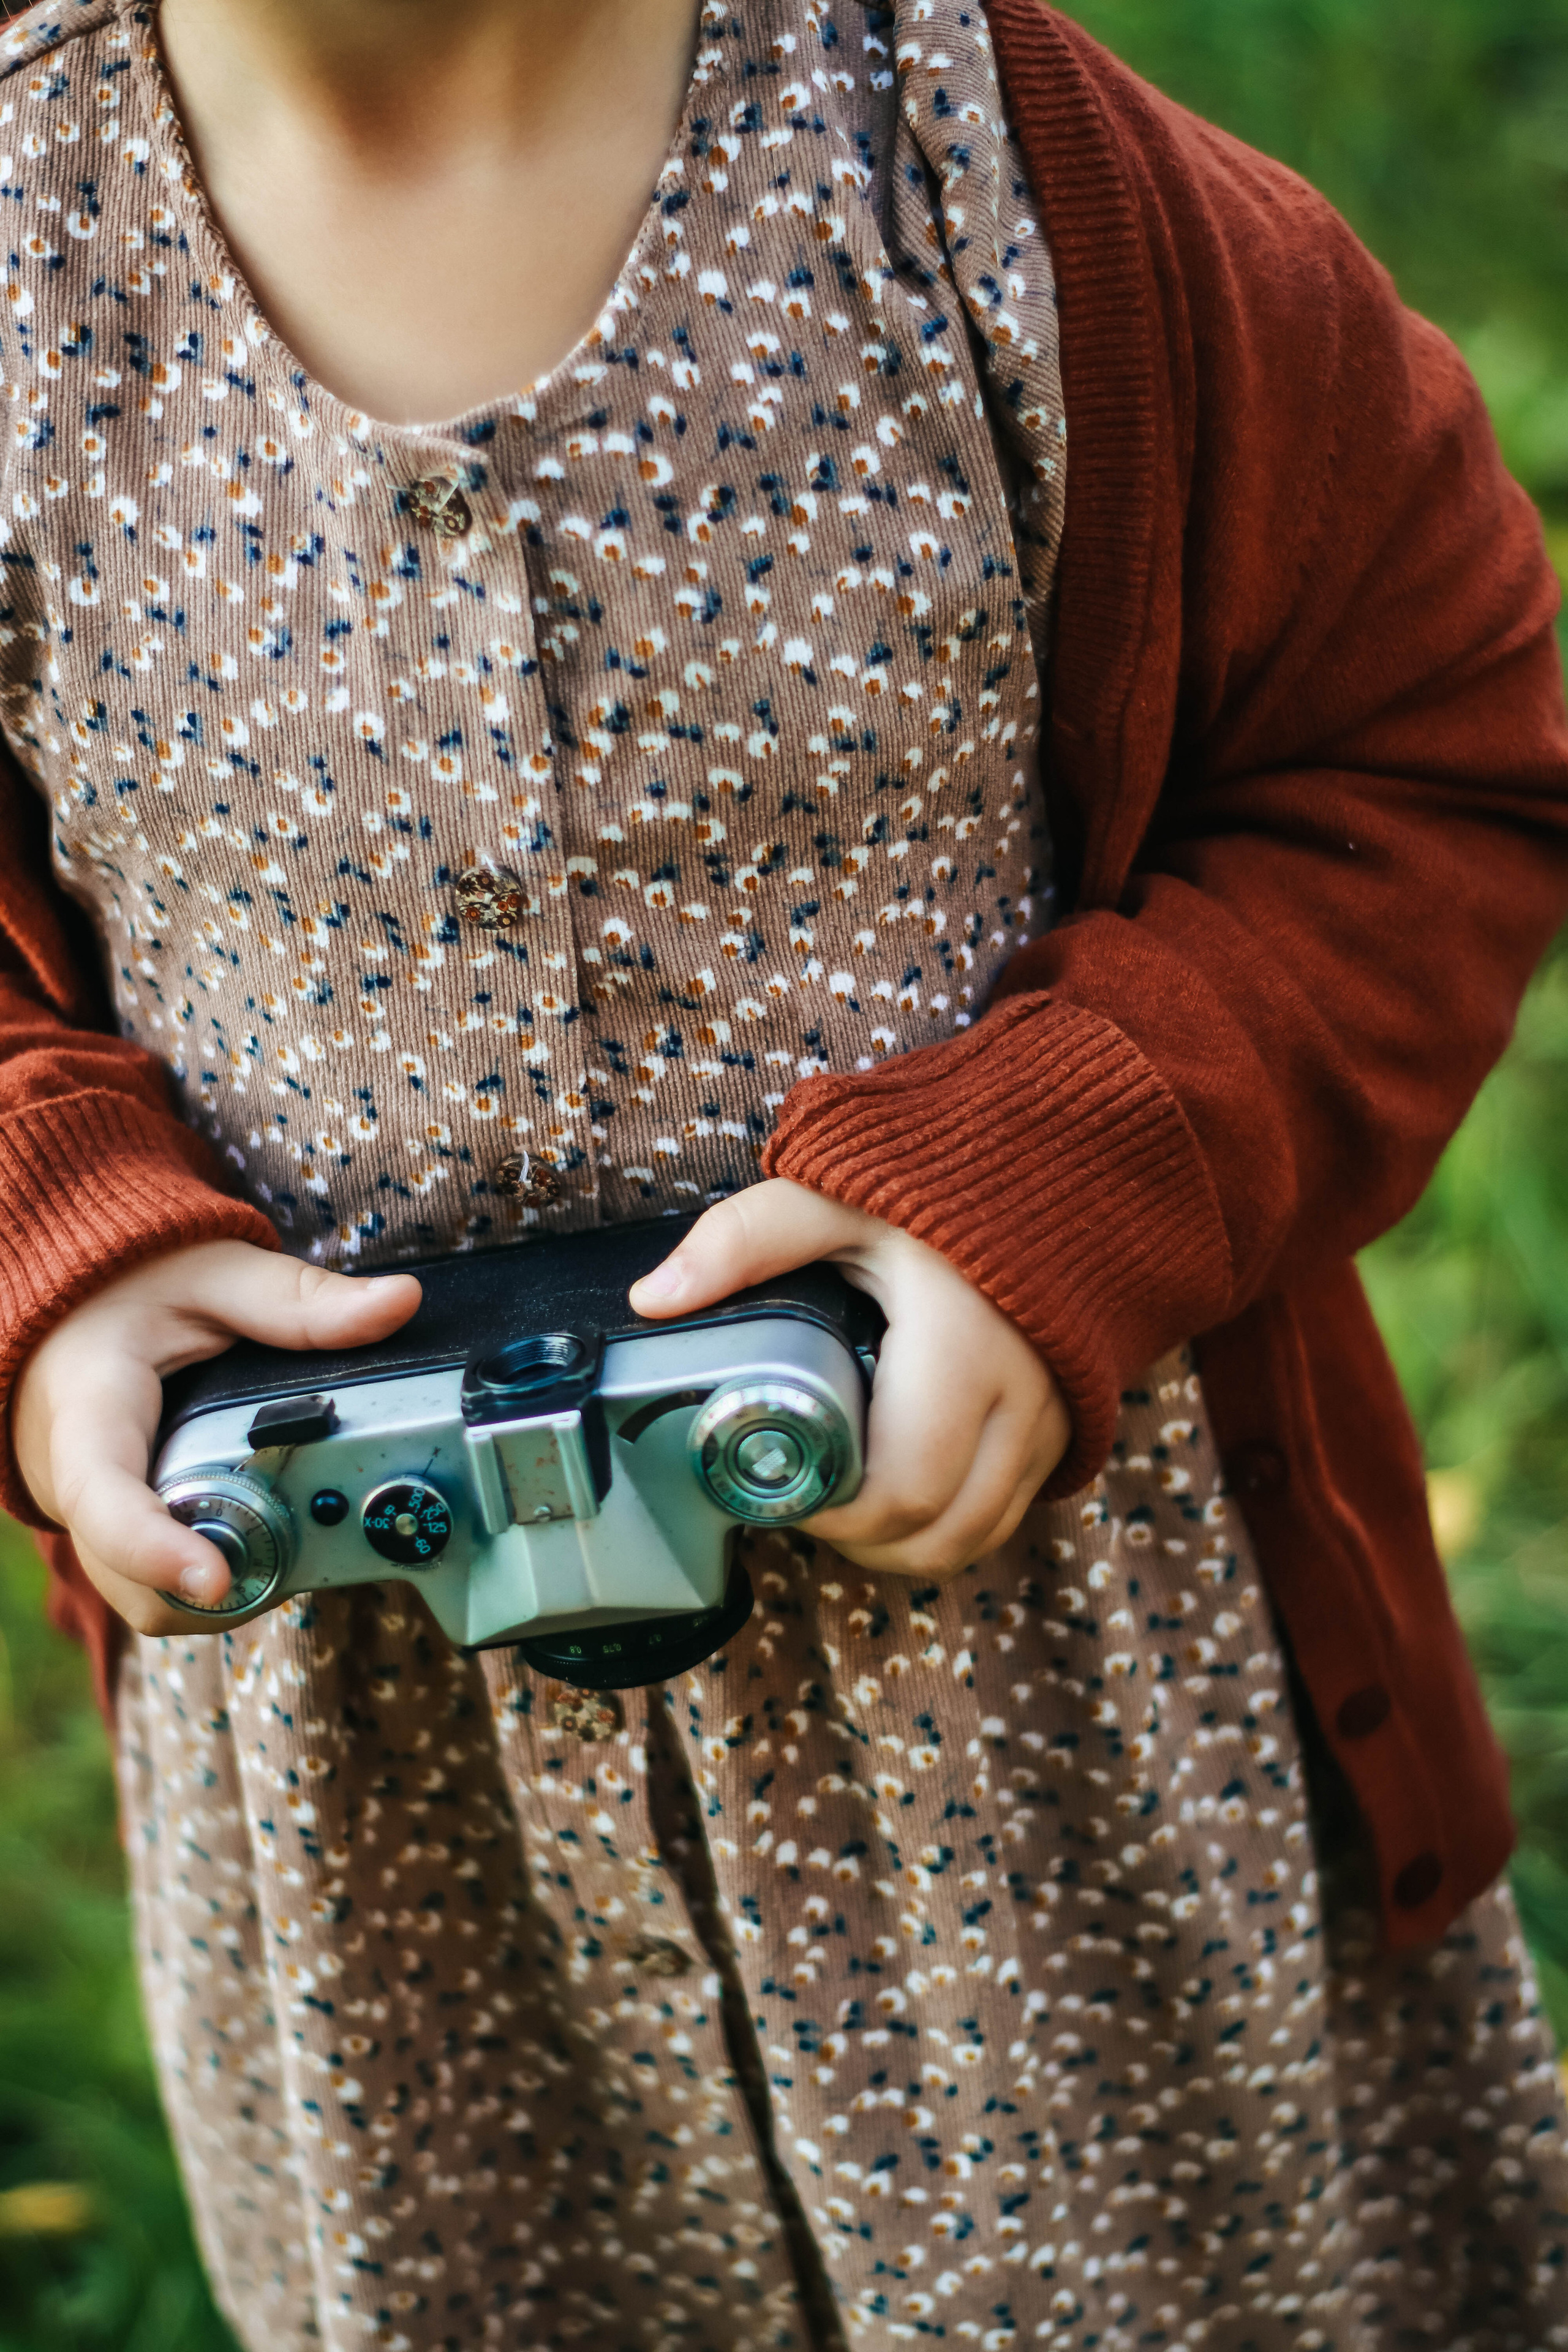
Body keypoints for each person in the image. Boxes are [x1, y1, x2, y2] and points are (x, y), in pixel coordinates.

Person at [1, 0, 1565, 2342]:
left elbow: (1430, 740)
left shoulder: (993, 174)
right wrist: (46, 1231)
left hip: (1067, 1794)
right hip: (395, 1866)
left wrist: (1082, 1169)